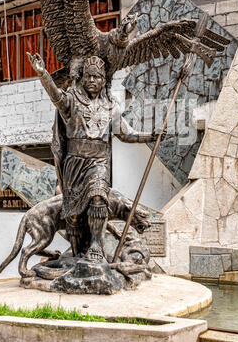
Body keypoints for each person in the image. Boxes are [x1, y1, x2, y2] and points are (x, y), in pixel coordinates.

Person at [27, 52, 162, 264]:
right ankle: (78, 250)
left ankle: (97, 246)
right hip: (74, 164)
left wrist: (150, 136)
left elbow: (126, 133)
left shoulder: (110, 106)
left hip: (98, 164)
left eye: (97, 77)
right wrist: (44, 74)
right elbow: (56, 97)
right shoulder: (72, 101)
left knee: (99, 197)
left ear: (103, 81)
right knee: (73, 216)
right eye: (88, 76)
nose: (92, 80)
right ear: (82, 78)